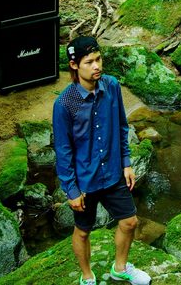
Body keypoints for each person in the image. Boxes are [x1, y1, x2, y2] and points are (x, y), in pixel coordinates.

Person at [52, 36, 151, 285]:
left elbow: (121, 125)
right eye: (89, 62)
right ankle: (87, 277)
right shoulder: (65, 104)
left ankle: (120, 268)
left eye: (98, 59)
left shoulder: (112, 86)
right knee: (83, 232)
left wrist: (126, 163)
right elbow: (63, 150)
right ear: (74, 65)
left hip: (113, 172)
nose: (97, 66)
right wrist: (71, 189)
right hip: (85, 180)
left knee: (129, 221)